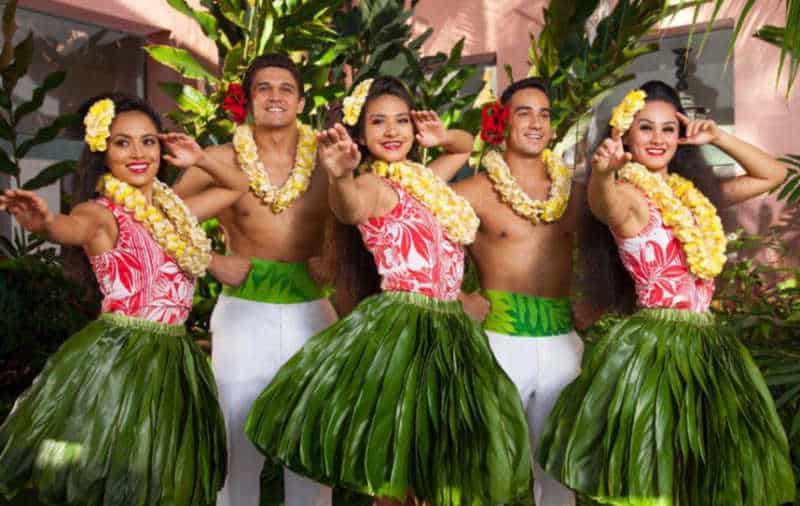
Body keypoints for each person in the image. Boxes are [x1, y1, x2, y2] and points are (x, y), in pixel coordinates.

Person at [244, 76, 532, 506]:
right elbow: (349, 207)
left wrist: (442, 135)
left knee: (440, 465)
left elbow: (462, 145)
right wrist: (340, 176)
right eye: (379, 122)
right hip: (402, 334)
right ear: (361, 133)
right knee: (395, 471)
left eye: (402, 121)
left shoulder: (427, 181)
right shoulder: (372, 187)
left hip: (450, 334)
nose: (393, 131)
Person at [536, 80, 795, 505]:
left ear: (681, 136)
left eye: (667, 129)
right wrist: (601, 172)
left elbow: (774, 174)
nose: (657, 139)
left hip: (708, 349)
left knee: (701, 480)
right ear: (625, 135)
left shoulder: (697, 199)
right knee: (654, 479)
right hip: (655, 351)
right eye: (645, 128)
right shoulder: (630, 197)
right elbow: (604, 204)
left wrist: (718, 137)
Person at [0, 93, 239, 505]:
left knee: (168, 480)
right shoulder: (102, 214)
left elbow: (237, 185)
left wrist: (199, 158)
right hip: (124, 360)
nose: (138, 153)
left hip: (176, 358)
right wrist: (44, 223)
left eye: (148, 141)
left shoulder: (176, 212)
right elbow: (69, 227)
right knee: (120, 478)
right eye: (122, 142)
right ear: (102, 151)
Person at [171, 53, 337, 506]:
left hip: (312, 311)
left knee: (309, 440)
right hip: (243, 309)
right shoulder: (219, 158)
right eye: (264, 88)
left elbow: (360, 219)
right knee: (234, 439)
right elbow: (160, 214)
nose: (275, 96)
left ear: (301, 101)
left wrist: (333, 257)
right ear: (248, 101)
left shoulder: (327, 159)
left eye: (286, 88)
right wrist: (209, 260)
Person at [453, 77, 583, 506]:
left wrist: (596, 303)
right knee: (492, 470)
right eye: (524, 112)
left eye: (544, 114)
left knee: (560, 472)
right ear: (501, 122)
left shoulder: (575, 194)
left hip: (563, 342)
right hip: (500, 341)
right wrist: (459, 298)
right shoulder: (473, 192)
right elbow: (414, 245)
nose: (536, 122)